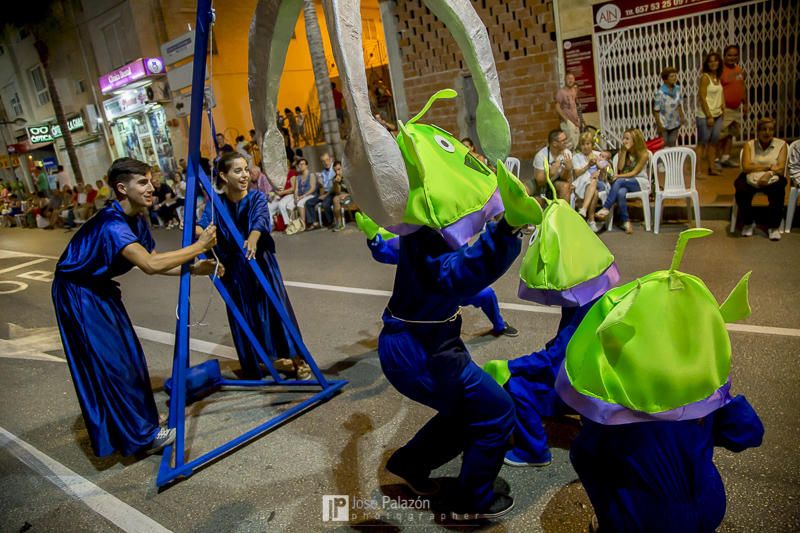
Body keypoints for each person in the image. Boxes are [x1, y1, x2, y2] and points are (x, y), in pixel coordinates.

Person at [557, 229, 764, 532]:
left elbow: (584, 457)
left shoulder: (616, 414)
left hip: (643, 519)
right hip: (708, 505)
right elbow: (749, 434)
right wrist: (722, 396)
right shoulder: (704, 398)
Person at [51, 157, 219, 457]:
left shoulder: (138, 218)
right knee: (112, 363)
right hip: (77, 293)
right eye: (142, 182)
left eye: (151, 180)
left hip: (99, 289)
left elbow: (152, 259)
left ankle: (143, 423)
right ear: (121, 188)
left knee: (130, 357)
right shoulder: (112, 225)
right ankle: (141, 436)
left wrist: (195, 267)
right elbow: (151, 265)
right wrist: (198, 247)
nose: (151, 187)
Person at [198, 152, 309, 379]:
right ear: (223, 175)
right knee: (244, 313)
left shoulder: (256, 197)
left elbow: (260, 219)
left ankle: (298, 361)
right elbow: (201, 227)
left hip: (261, 264)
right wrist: (199, 235)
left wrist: (253, 238)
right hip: (235, 269)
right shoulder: (216, 204)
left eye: (246, 170)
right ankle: (256, 362)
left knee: (276, 310)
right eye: (237, 171)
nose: (245, 175)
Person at [356, 212, 518, 336]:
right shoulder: (415, 238)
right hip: (430, 297)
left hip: (454, 285)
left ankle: (499, 325)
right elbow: (386, 253)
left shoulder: (453, 229)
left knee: (487, 294)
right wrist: (374, 239)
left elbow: (471, 257)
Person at [734, 117, 787, 241]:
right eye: (764, 129)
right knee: (740, 188)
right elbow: (746, 167)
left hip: (773, 177)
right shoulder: (749, 145)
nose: (767, 133)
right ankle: (748, 222)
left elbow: (780, 168)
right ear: (758, 131)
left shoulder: (782, 145)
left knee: (778, 190)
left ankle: (773, 227)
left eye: (771, 130)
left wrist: (768, 174)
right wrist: (768, 166)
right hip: (751, 177)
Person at [595, 128, 650, 234]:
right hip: (626, 181)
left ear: (635, 139)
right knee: (620, 192)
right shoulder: (623, 151)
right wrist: (623, 152)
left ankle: (606, 207)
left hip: (640, 182)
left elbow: (634, 173)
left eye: (627, 139)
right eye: (624, 138)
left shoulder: (644, 154)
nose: (624, 141)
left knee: (619, 181)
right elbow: (620, 167)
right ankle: (626, 222)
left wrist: (618, 176)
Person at [571, 132, 611, 232]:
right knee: (595, 192)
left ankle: (584, 210)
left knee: (594, 180)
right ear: (580, 145)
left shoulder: (599, 155)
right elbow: (577, 174)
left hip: (600, 182)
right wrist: (588, 166)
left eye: (588, 144)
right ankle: (591, 220)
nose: (585, 147)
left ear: (592, 144)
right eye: (583, 144)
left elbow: (607, 171)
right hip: (583, 184)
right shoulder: (576, 157)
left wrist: (601, 171)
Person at [695, 51, 725, 176]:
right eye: (710, 61)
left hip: (718, 114)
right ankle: (698, 171)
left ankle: (712, 168)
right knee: (703, 142)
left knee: (713, 142)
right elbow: (702, 97)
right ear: (707, 64)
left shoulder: (717, 77)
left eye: (715, 60)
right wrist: (709, 116)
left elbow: (720, 93)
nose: (713, 63)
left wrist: (723, 105)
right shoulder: (705, 77)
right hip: (706, 116)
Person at [719, 45, 748, 168]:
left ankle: (726, 158)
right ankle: (717, 159)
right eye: (729, 55)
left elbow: (742, 87)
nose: (732, 57)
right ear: (724, 56)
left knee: (731, 134)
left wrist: (745, 104)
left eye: (735, 55)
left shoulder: (740, 70)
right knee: (721, 135)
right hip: (724, 109)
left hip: (736, 108)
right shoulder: (720, 71)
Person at [533, 129, 573, 201]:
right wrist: (550, 173)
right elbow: (539, 182)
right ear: (554, 143)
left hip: (555, 182)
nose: (566, 142)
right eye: (563, 140)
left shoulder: (567, 154)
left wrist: (567, 169)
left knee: (565, 186)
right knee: (524, 189)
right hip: (542, 182)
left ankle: (563, 211)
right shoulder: (541, 155)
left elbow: (565, 178)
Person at [652, 67, 687, 147]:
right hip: (663, 123)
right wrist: (659, 124)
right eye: (671, 76)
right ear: (665, 79)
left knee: (672, 143)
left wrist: (682, 116)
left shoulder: (677, 89)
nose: (674, 78)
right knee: (664, 144)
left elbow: (679, 104)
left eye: (675, 76)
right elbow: (656, 110)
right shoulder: (660, 93)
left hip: (675, 121)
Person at [306, 153, 335, 228]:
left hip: (332, 192)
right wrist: (320, 184)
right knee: (309, 202)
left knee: (325, 204)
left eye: (327, 160)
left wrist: (325, 195)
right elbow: (322, 189)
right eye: (323, 161)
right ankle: (314, 223)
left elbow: (334, 187)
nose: (326, 162)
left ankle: (331, 222)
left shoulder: (335, 169)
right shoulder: (323, 173)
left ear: (331, 159)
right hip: (324, 192)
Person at [554, 72, 582, 151]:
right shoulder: (561, 92)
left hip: (575, 123)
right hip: (567, 123)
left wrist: (578, 119)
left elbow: (574, 106)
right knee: (570, 144)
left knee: (576, 144)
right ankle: (566, 160)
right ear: (565, 80)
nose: (570, 80)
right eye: (568, 79)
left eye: (572, 79)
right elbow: (557, 106)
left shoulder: (574, 90)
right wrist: (566, 119)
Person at [292, 158, 316, 232]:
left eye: (303, 164)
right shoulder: (298, 177)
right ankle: (294, 225)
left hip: (310, 195)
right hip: (301, 196)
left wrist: (303, 196)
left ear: (306, 165)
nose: (301, 166)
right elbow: (296, 189)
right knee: (291, 204)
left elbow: (313, 188)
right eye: (300, 164)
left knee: (300, 203)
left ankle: (303, 225)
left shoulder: (311, 175)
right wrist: (296, 197)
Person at [331, 160, 352, 231]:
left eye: (339, 169)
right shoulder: (335, 178)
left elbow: (356, 190)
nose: (337, 172)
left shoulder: (350, 175)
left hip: (356, 195)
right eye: (335, 171)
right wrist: (336, 183)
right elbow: (338, 193)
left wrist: (347, 194)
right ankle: (339, 223)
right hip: (346, 197)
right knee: (335, 199)